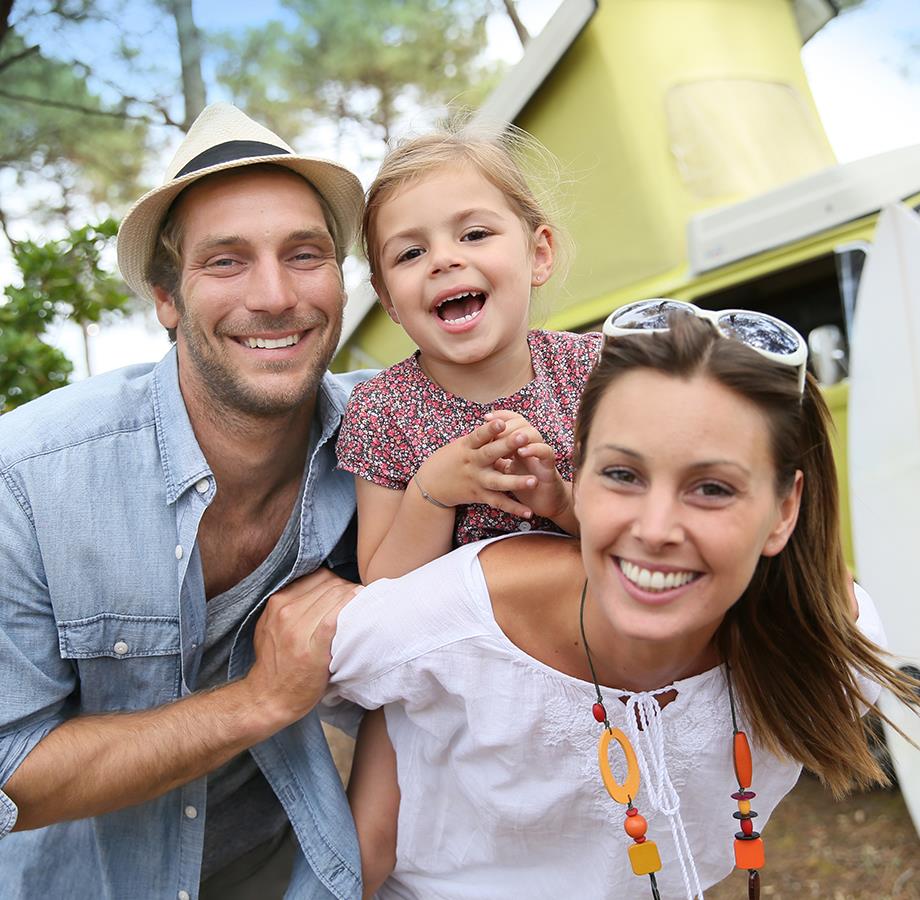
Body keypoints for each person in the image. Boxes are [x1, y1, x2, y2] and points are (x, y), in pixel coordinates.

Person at [327, 302, 920, 899]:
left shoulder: (833, 655)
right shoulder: (454, 614)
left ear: (782, 510)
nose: (656, 528)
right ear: (577, 476)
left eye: (711, 488)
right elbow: (298, 660)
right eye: (623, 475)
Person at [0, 103, 369, 899]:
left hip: (295, 876)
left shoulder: (391, 446)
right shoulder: (27, 480)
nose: (274, 296)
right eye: (226, 262)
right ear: (166, 300)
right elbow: (9, 776)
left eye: (304, 254)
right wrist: (260, 701)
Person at [335, 127, 603, 583]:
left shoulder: (594, 371)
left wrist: (560, 499)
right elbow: (380, 590)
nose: (443, 259)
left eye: (474, 234)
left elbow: (642, 529)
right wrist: (433, 491)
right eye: (411, 252)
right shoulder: (380, 412)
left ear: (538, 255)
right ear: (388, 301)